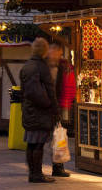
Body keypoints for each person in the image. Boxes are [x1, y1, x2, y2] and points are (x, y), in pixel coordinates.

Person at [20, 38, 59, 183]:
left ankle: (33, 173)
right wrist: (51, 106)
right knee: (38, 144)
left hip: (29, 111)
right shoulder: (41, 66)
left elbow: (26, 91)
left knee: (31, 144)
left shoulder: (27, 65)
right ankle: (37, 174)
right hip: (40, 112)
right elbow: (47, 90)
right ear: (44, 50)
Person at [47, 42, 75, 178]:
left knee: (58, 136)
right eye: (51, 50)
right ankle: (55, 166)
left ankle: (58, 166)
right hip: (49, 105)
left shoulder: (64, 67)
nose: (52, 53)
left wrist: (65, 104)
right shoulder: (47, 66)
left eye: (55, 51)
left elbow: (68, 87)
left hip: (59, 105)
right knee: (51, 136)